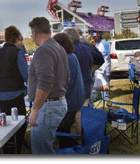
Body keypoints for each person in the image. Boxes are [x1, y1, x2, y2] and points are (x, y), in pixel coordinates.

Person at [27, 17, 69, 154]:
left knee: (41, 151)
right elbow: (66, 76)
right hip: (56, 102)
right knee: (45, 148)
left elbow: (45, 83)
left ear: (34, 33)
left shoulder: (43, 50)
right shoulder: (59, 48)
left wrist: (35, 108)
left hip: (47, 106)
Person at [0, 25, 28, 154]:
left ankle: (7, 149)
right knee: (19, 124)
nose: (21, 42)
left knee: (5, 123)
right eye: (20, 39)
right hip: (16, 93)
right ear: (16, 39)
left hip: (1, 94)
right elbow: (26, 75)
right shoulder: (18, 52)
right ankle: (16, 151)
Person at [52, 33, 85, 149]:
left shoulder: (67, 58)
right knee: (63, 130)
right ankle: (67, 150)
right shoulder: (70, 56)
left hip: (71, 100)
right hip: (74, 99)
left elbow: (66, 83)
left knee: (62, 130)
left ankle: (78, 150)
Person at [63, 28, 104, 107]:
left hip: (74, 89)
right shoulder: (87, 47)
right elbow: (101, 59)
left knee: (77, 114)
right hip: (86, 87)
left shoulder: (69, 51)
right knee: (85, 111)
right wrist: (91, 70)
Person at [93, 32, 111, 102]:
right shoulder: (98, 43)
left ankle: (106, 97)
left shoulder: (105, 43)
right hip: (99, 66)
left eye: (95, 37)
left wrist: (97, 53)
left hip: (105, 66)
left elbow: (105, 54)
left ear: (99, 36)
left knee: (105, 81)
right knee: (100, 81)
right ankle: (101, 95)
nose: (94, 39)